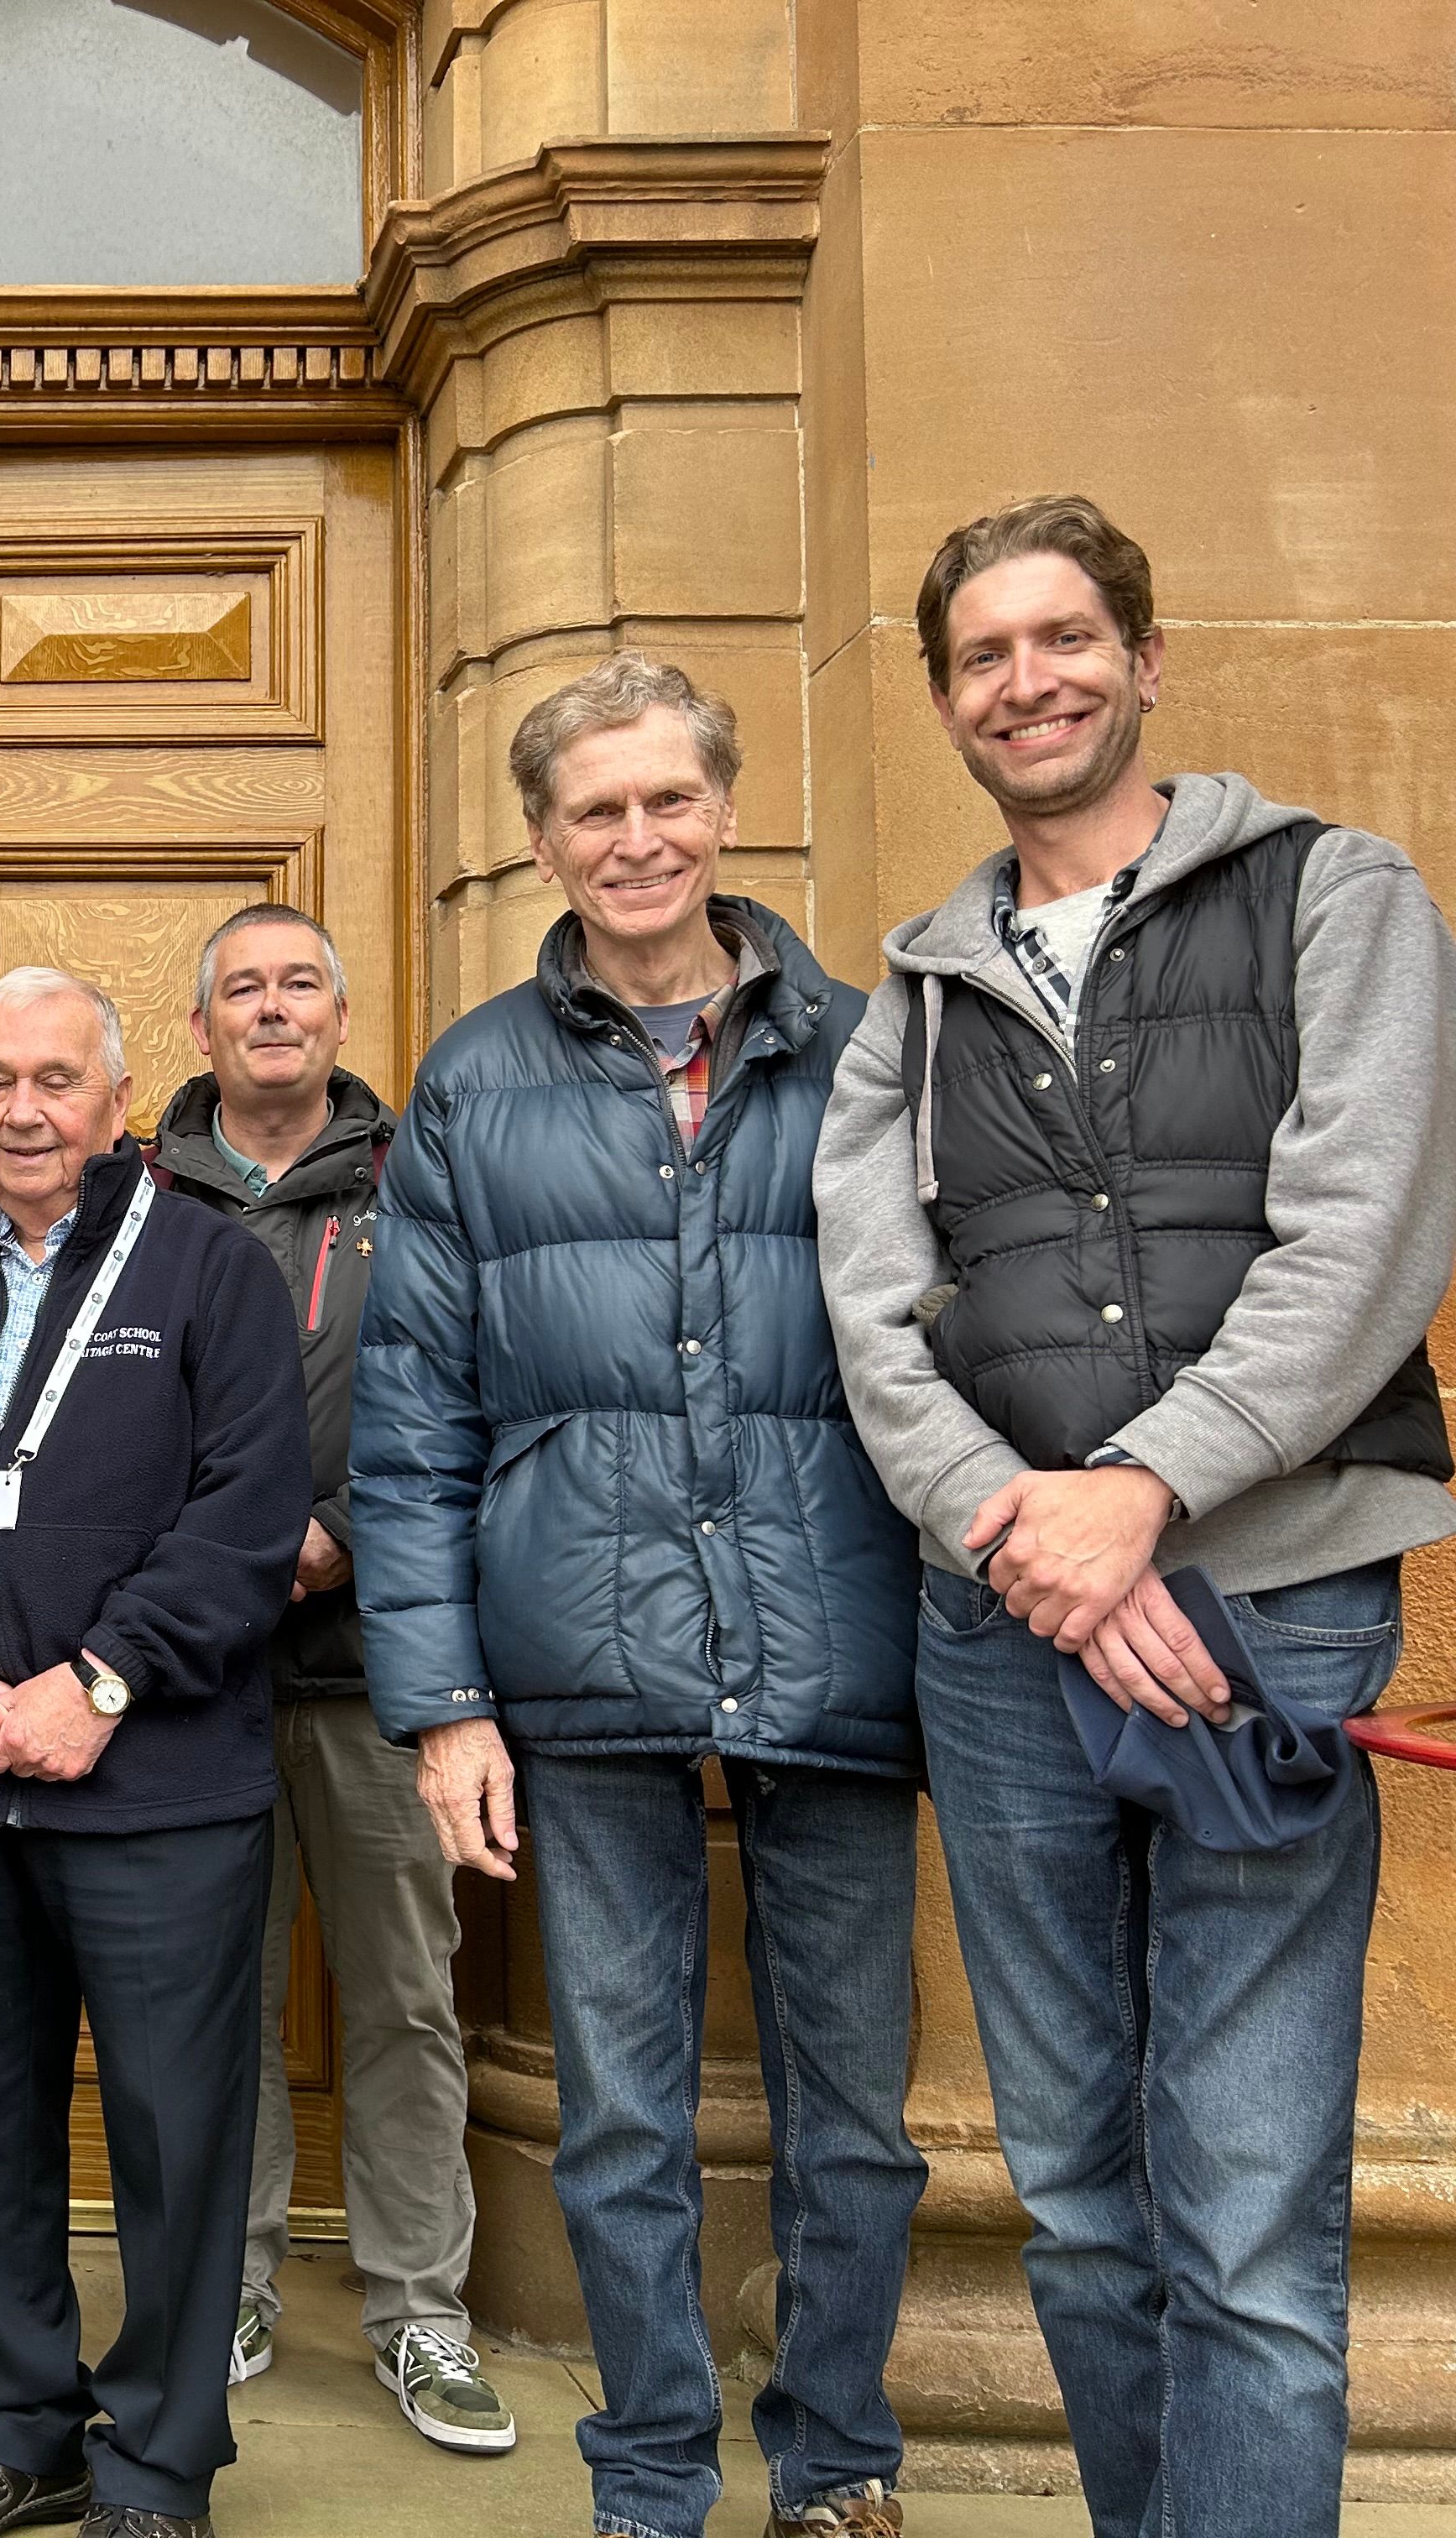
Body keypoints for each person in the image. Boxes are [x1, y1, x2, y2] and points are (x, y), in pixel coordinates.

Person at [814, 497, 1456, 2538]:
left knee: (1252, 2224)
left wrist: (1147, 1498)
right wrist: (1039, 1543)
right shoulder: (911, 997)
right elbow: (872, 1317)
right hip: (1004, 1640)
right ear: (945, 702)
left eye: (1065, 638)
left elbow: (1365, 1240)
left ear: (1147, 657)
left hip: (1273, 1613)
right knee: (1079, 2199)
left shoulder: (1333, 900)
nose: (1030, 680)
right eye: (986, 656)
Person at [352, 655, 926, 2538]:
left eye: (666, 799)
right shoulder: (471, 1077)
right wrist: (439, 1706)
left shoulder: (873, 1045)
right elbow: (412, 1408)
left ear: (723, 809)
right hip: (573, 1655)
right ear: (541, 844)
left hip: (839, 1627)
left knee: (850, 2116)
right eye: (594, 811)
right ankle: (653, 2474)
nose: (636, 839)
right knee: (620, 2117)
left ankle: (835, 2462)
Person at [0, 967, 307, 2538]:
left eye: (56, 1080)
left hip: (157, 1791)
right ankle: (19, 2427)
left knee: (172, 2137)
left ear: (117, 1100)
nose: (22, 1110)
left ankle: (158, 2467)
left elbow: (248, 1519)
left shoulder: (210, 1272)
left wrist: (95, 1685)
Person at [149, 904, 506, 2453]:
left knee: (404, 2000)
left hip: (379, 1663)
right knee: (204, 2004)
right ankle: (218, 2284)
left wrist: (346, 1536)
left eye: (300, 984)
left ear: (341, 1018)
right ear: (201, 1026)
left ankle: (420, 2311)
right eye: (245, 988)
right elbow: (94, 1417)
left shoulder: (425, 1185)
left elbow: (485, 1386)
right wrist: (229, 1555)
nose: (273, 1009)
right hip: (189, 1678)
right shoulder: (132, 1199)